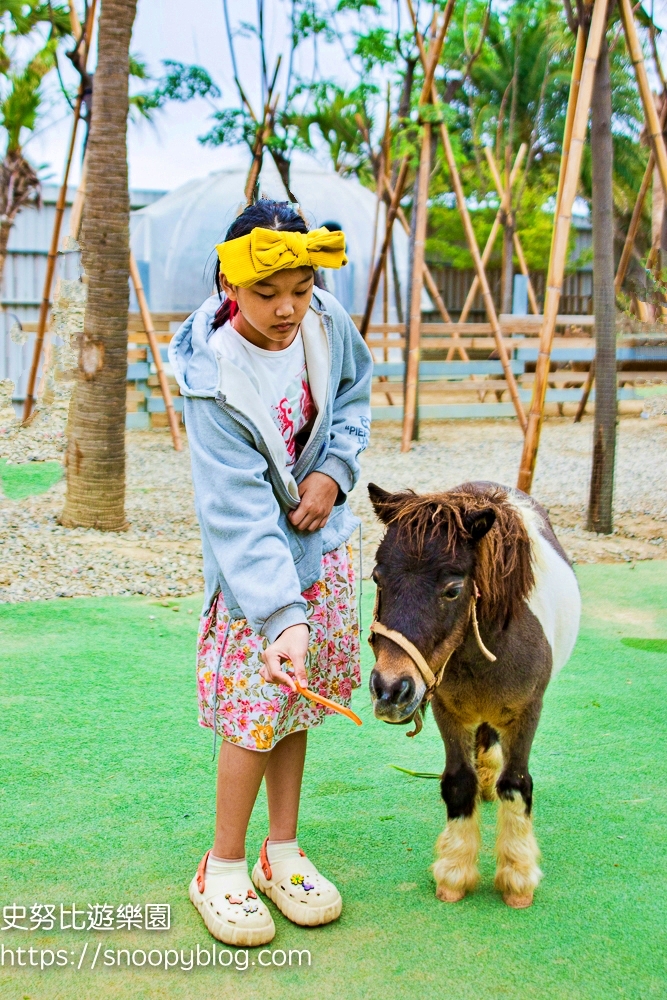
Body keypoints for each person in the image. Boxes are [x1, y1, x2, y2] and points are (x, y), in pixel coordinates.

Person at [169, 199, 372, 947]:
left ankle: (279, 850)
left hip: (321, 548)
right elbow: (235, 510)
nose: (287, 308)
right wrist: (280, 615)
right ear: (231, 286)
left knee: (297, 707)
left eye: (300, 286)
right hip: (256, 574)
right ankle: (219, 866)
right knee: (254, 715)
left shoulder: (327, 323)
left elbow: (352, 399)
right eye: (266, 292)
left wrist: (335, 475)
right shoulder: (211, 370)